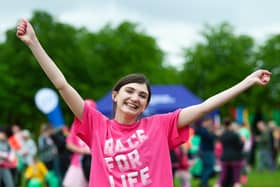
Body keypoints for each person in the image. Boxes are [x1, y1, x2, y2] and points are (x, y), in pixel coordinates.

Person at [16, 18, 271, 187]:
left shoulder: (159, 126)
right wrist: (34, 43)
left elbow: (205, 106)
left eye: (142, 95)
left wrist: (247, 81)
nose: (135, 98)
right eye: (130, 91)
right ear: (115, 95)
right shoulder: (96, 124)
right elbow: (62, 85)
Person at [214, 118, 244, 187]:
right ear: (231, 125)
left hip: (225, 157)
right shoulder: (235, 135)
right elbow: (240, 146)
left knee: (222, 177)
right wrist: (242, 141)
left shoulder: (222, 135)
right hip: (235, 157)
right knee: (236, 178)